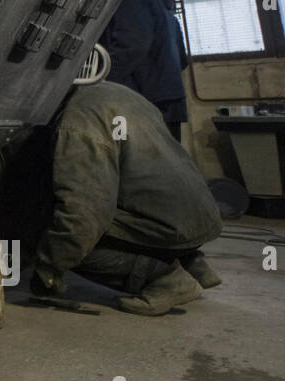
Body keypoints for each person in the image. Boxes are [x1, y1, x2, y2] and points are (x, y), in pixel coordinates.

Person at [30, 81, 223, 315]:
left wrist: (48, 269)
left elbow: (83, 215)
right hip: (199, 214)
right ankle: (192, 262)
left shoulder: (77, 125)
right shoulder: (113, 91)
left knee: (63, 235)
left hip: (170, 226)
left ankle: (165, 280)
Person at [100, 0, 189, 140]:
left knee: (136, 159)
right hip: (171, 101)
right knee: (167, 160)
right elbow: (183, 61)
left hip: (143, 99)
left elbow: (132, 46)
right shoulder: (170, 17)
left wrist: (102, 80)